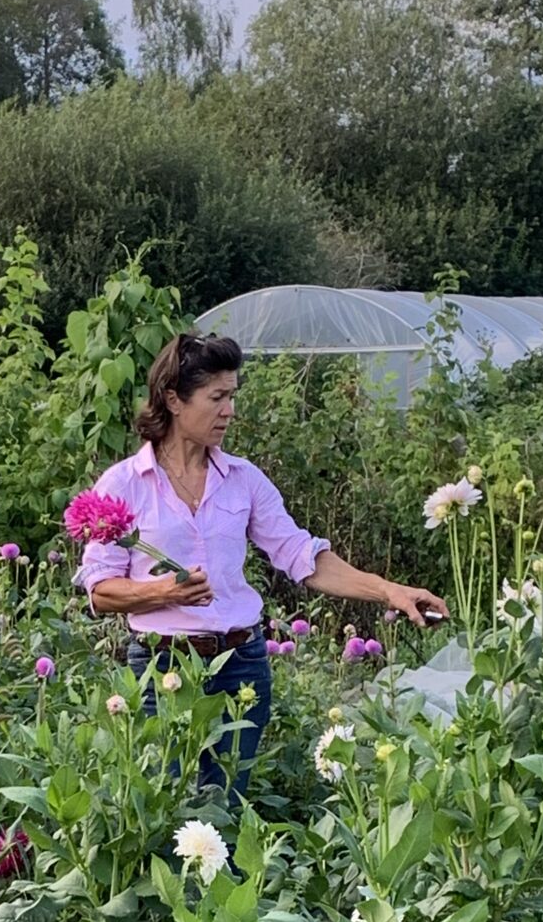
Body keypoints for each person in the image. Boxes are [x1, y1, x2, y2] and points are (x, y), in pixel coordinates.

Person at [77, 331, 448, 796]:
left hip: (241, 665)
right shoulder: (123, 484)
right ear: (173, 399)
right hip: (161, 667)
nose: (229, 410)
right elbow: (100, 590)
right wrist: (164, 592)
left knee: (226, 805)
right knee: (163, 801)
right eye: (217, 397)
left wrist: (389, 591)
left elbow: (302, 555)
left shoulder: (243, 480)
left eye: (232, 396)